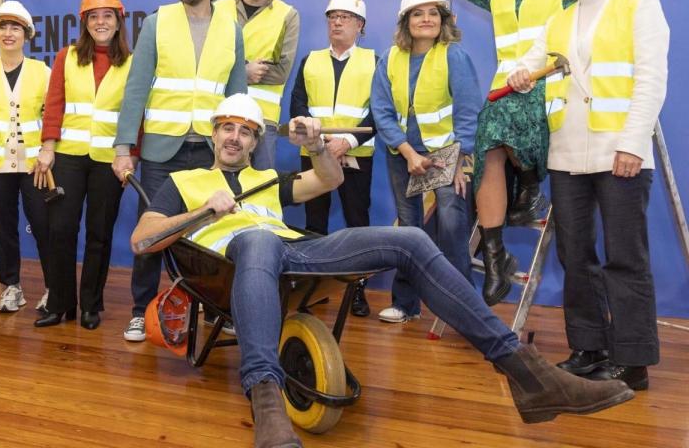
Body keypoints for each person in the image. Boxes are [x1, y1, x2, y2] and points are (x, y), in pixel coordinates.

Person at [130, 94, 636, 448]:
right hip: (232, 260)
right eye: (227, 129)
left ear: (256, 138)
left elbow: (326, 180)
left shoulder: (267, 179)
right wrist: (202, 212)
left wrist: (313, 146)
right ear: (214, 133)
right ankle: (266, 401)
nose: (235, 138)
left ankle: (527, 374)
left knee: (409, 238)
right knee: (257, 237)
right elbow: (143, 239)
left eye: (245, 130)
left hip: (292, 257)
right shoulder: (187, 180)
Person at [431, 0, 647, 305]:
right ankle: (496, 257)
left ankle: (529, 185)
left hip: (555, 89)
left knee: (496, 124)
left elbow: (618, 5)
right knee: (489, 141)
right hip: (506, 93)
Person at [507, 0, 668, 390]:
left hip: (620, 152)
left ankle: (632, 361)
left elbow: (650, 80)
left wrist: (633, 144)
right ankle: (589, 348)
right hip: (568, 155)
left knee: (625, 258)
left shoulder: (639, 4)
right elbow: (532, 62)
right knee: (575, 256)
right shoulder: (560, 19)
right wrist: (519, 73)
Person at [112, 0, 247, 342]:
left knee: (210, 236)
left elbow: (237, 96)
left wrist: (239, 146)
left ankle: (212, 309)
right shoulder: (158, 22)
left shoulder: (231, 30)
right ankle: (141, 311)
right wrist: (123, 149)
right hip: (160, 151)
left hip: (209, 152)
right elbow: (136, 89)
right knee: (152, 232)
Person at [370, 0, 482, 323]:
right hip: (403, 155)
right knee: (409, 228)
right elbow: (382, 110)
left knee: (451, 225)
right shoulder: (391, 58)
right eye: (418, 14)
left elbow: (468, 111)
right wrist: (408, 153)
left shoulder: (454, 55)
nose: (426, 19)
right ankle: (406, 304)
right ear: (406, 22)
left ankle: (462, 310)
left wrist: (460, 162)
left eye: (433, 13)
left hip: (446, 155)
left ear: (443, 20)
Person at [34, 0, 133, 329]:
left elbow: (135, 114)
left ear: (119, 21)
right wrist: (47, 147)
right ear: (85, 22)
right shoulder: (67, 56)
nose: (101, 22)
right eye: (94, 17)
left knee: (99, 233)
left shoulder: (132, 63)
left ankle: (91, 304)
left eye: (107, 16)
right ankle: (60, 303)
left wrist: (129, 156)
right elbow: (55, 103)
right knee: (60, 229)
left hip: (110, 162)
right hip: (68, 157)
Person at [288, 0, 378, 317]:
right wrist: (321, 144)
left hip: (356, 156)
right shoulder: (309, 60)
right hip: (314, 153)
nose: (337, 22)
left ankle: (358, 291)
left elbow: (380, 112)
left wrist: (346, 143)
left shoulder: (373, 62)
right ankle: (315, 288)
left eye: (345, 17)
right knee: (314, 223)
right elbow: (297, 105)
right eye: (332, 16)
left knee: (357, 225)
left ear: (360, 25)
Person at [0, 1, 52, 316]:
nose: (8, 33)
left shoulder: (42, 72)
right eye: (3, 27)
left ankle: (52, 288)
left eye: (15, 27)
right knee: (3, 227)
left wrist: (47, 148)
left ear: (26, 34)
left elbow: (52, 114)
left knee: (44, 226)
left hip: (34, 165)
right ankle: (11, 287)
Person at [214, 0, 300, 169]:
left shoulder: (287, 15)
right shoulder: (217, 9)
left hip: (263, 121)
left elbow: (281, 71)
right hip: (220, 117)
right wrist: (244, 71)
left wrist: (231, 69)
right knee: (216, 192)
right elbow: (205, 63)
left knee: (261, 192)